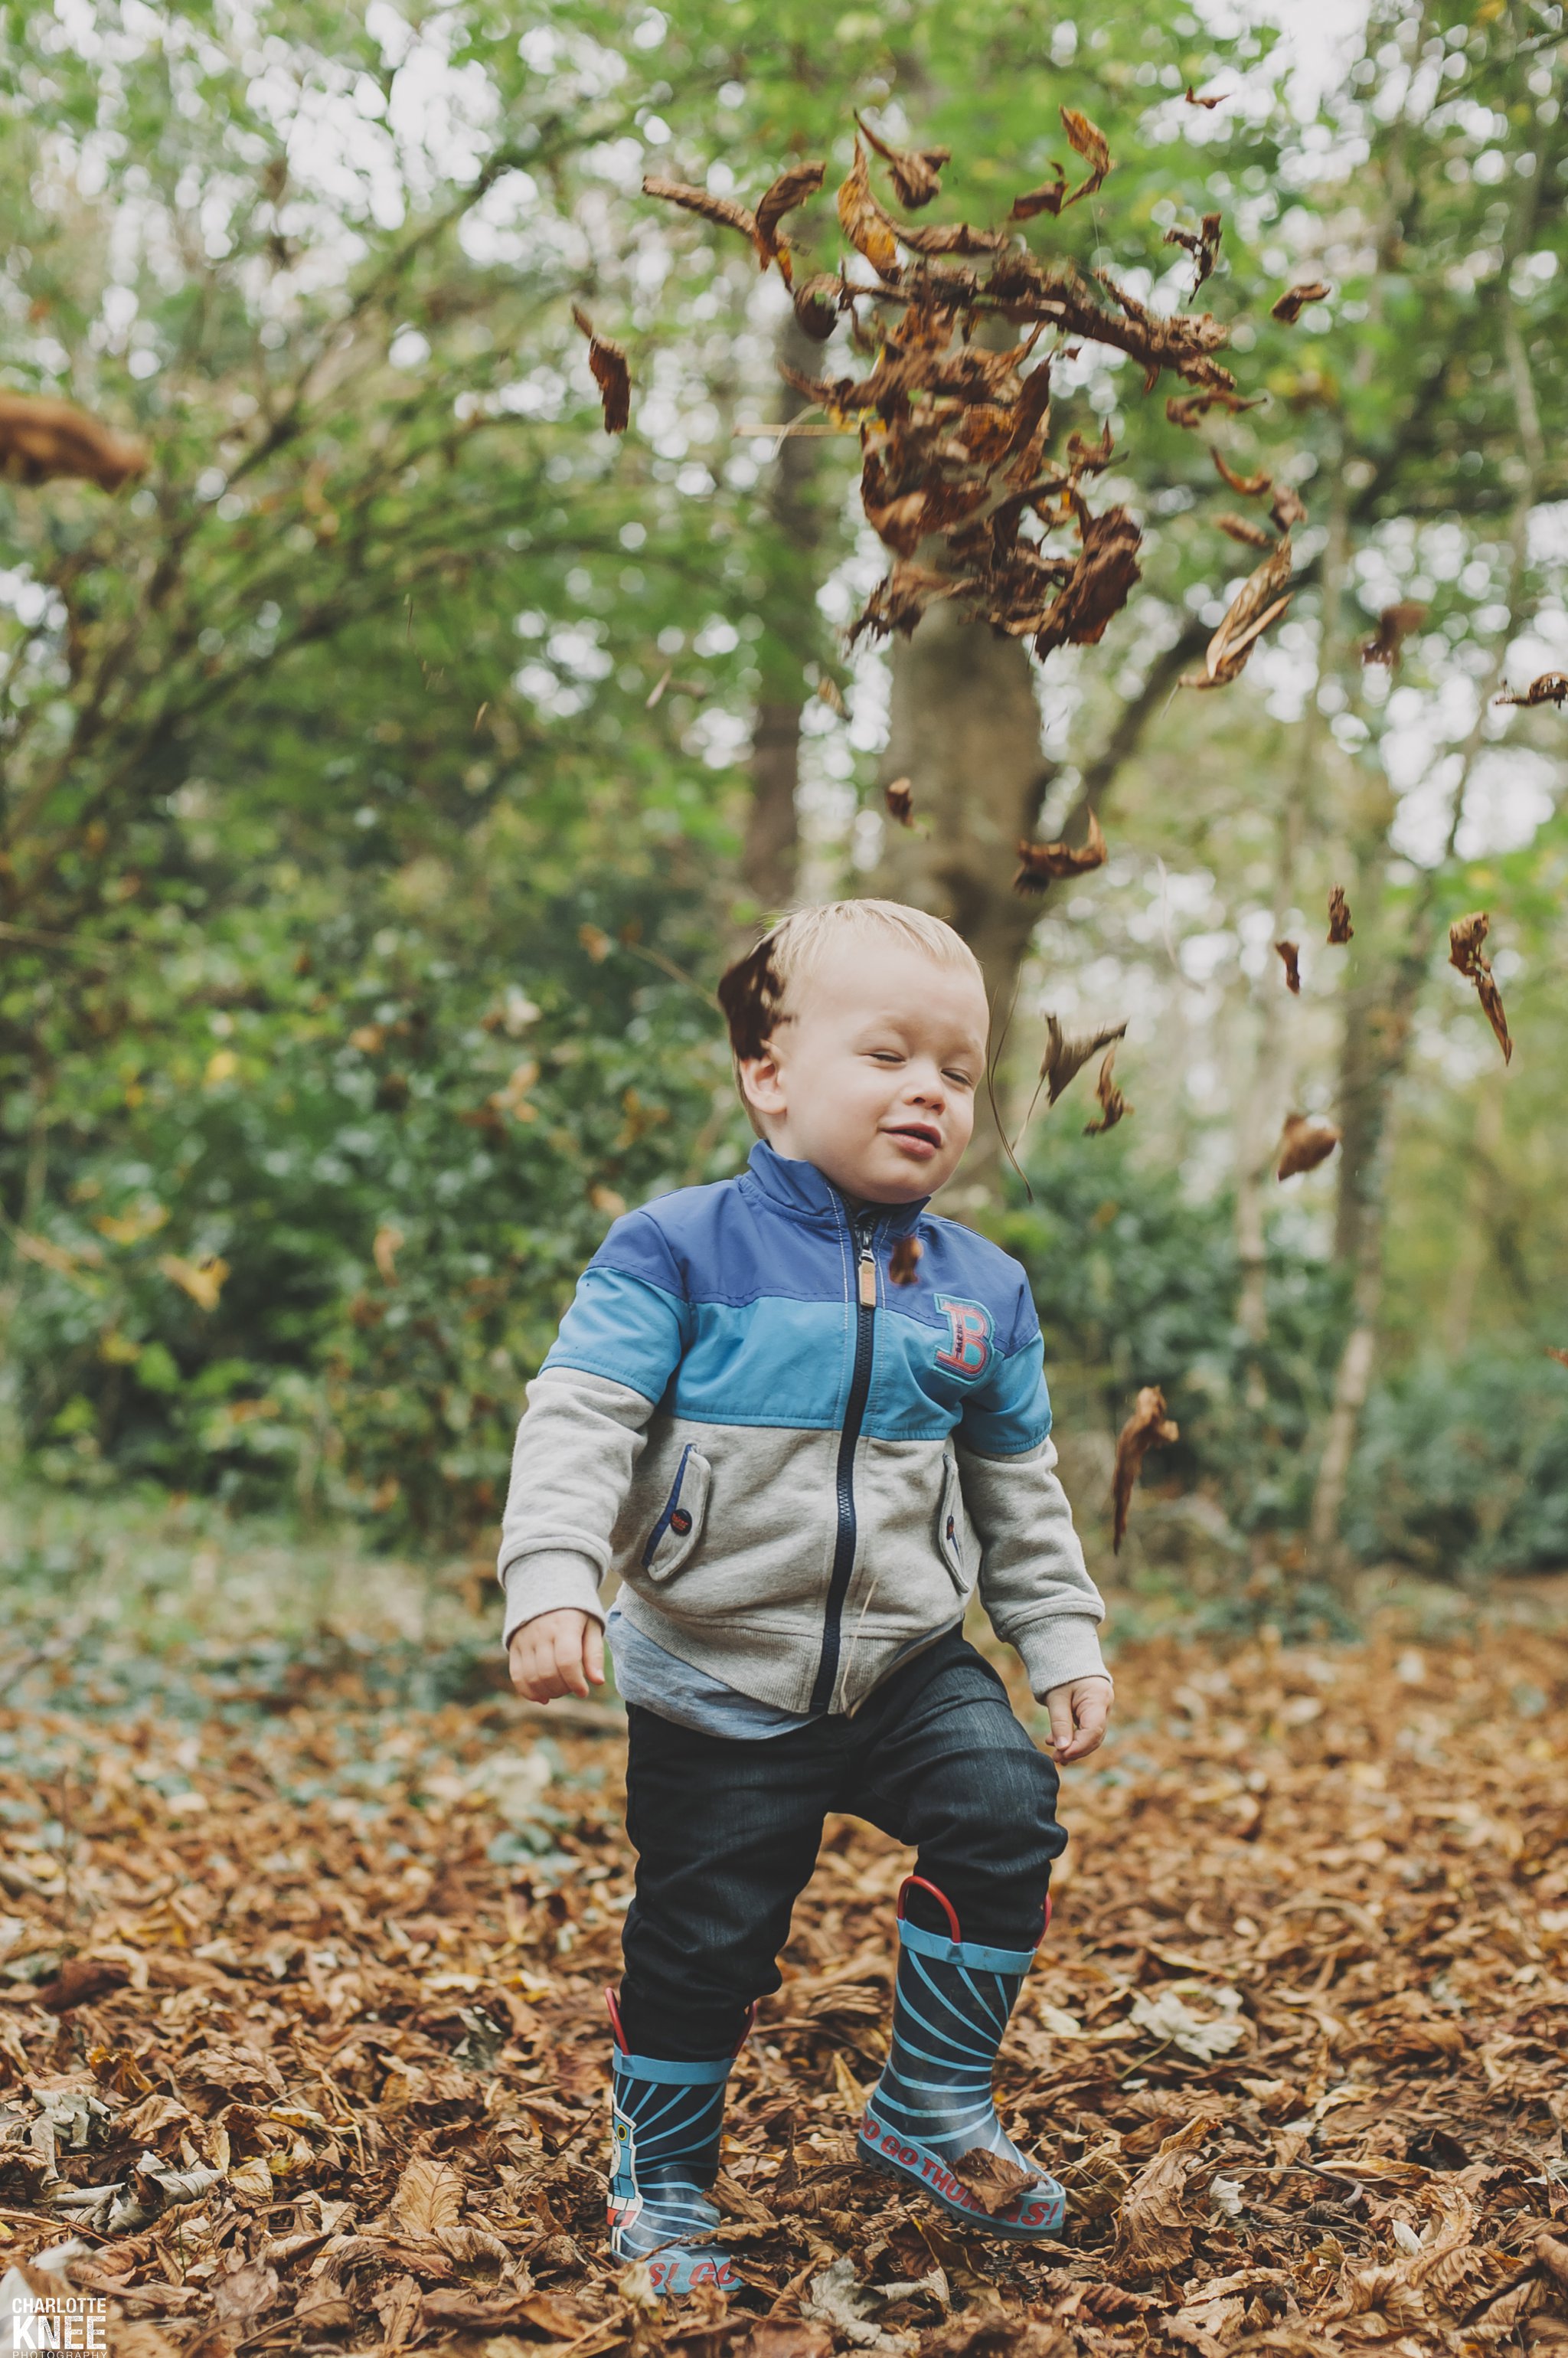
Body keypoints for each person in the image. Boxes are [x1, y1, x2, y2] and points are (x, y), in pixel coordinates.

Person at [498, 899, 1112, 2297]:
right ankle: (660, 2183)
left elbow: (1021, 1488)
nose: (930, 1092)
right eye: (888, 1054)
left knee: (1005, 1805)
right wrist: (556, 1577)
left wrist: (1058, 1634)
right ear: (768, 1074)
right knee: (704, 1940)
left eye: (958, 1071)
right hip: (716, 1673)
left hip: (908, 1661)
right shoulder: (677, 1248)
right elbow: (580, 1418)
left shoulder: (981, 1293)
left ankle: (929, 2110)